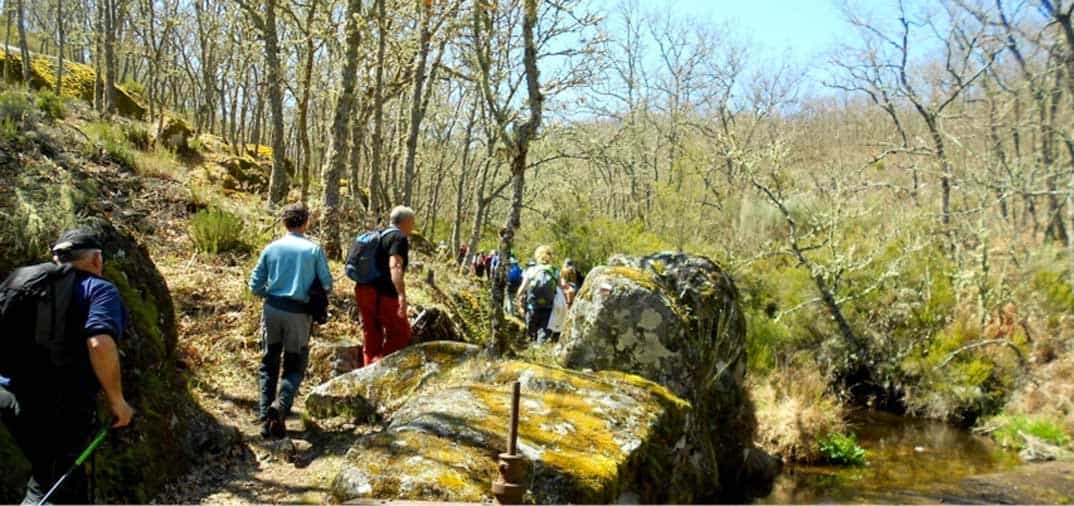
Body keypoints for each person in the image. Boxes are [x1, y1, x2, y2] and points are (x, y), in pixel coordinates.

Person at [0, 228, 135, 504]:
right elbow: (99, 343)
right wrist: (117, 401)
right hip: (56, 408)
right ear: (96, 259)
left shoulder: (27, 283)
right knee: (54, 489)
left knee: (54, 478)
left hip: (9, 395)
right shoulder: (99, 289)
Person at [249, 204, 332, 439]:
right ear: (305, 223)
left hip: (272, 309)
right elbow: (327, 284)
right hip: (299, 313)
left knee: (268, 363)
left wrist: (270, 294)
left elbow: (254, 285)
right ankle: (282, 405)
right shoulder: (313, 250)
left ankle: (266, 420)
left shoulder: (271, 248)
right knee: (295, 363)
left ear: (285, 223)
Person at [356, 206, 415, 366]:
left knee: (371, 334)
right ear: (406, 221)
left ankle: (368, 371)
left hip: (363, 290)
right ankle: (380, 367)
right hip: (383, 294)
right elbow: (395, 265)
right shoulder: (399, 237)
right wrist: (401, 295)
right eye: (412, 222)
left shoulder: (379, 235)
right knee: (400, 333)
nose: (413, 226)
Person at [516, 245, 558, 342]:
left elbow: (522, 289)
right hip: (548, 306)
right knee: (543, 332)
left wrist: (519, 302)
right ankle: (540, 349)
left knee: (531, 332)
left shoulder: (531, 270)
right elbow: (559, 290)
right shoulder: (555, 271)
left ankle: (532, 350)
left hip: (532, 306)